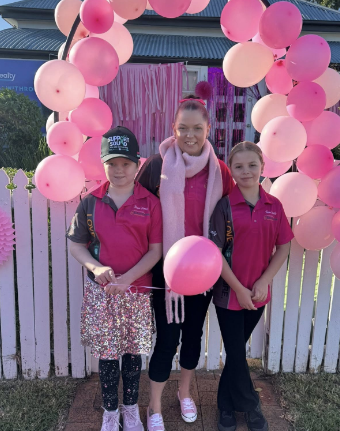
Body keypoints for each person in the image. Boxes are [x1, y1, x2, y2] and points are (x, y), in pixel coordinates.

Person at [136, 95, 234, 431]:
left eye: (196, 128)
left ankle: (184, 392)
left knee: (193, 336)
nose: (189, 135)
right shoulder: (156, 166)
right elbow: (138, 212)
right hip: (166, 271)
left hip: (204, 272)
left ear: (209, 129)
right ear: (173, 129)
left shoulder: (219, 171)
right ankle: (154, 407)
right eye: (182, 128)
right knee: (167, 339)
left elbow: (229, 217)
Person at [66, 126, 163, 431]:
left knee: (133, 353)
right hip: (102, 294)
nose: (119, 170)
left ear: (137, 163)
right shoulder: (90, 202)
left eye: (126, 163)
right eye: (112, 163)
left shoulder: (150, 203)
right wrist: (95, 268)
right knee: (107, 354)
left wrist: (128, 279)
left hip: (137, 293)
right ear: (103, 164)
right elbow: (76, 244)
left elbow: (155, 251)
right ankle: (110, 412)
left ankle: (131, 409)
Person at [209, 142, 293, 431]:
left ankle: (225, 405)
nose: (246, 171)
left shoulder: (274, 206)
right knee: (236, 352)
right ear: (231, 170)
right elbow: (215, 253)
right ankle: (251, 405)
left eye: (252, 165)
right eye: (239, 166)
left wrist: (264, 281)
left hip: (258, 294)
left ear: (262, 167)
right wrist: (238, 289)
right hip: (228, 294)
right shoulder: (224, 206)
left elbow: (283, 247)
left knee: (236, 354)